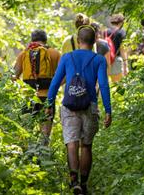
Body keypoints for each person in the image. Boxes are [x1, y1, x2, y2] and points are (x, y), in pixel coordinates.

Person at [46, 26, 112, 194]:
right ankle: (83, 184)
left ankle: (73, 180)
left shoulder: (67, 57)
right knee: (86, 146)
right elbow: (103, 85)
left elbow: (55, 82)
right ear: (95, 40)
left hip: (69, 106)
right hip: (90, 106)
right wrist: (108, 110)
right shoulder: (99, 60)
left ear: (78, 40)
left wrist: (49, 104)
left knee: (71, 144)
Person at [13, 29, 61, 145]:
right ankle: (42, 157)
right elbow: (63, 75)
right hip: (47, 98)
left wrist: (23, 89)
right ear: (46, 40)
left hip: (29, 98)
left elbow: (13, 76)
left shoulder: (24, 54)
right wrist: (55, 86)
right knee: (45, 133)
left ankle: (27, 156)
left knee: (25, 131)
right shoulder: (54, 53)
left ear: (32, 40)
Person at [105, 13, 128, 82]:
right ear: (121, 22)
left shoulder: (105, 31)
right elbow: (123, 49)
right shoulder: (121, 32)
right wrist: (125, 65)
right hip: (116, 61)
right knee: (119, 88)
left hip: (106, 61)